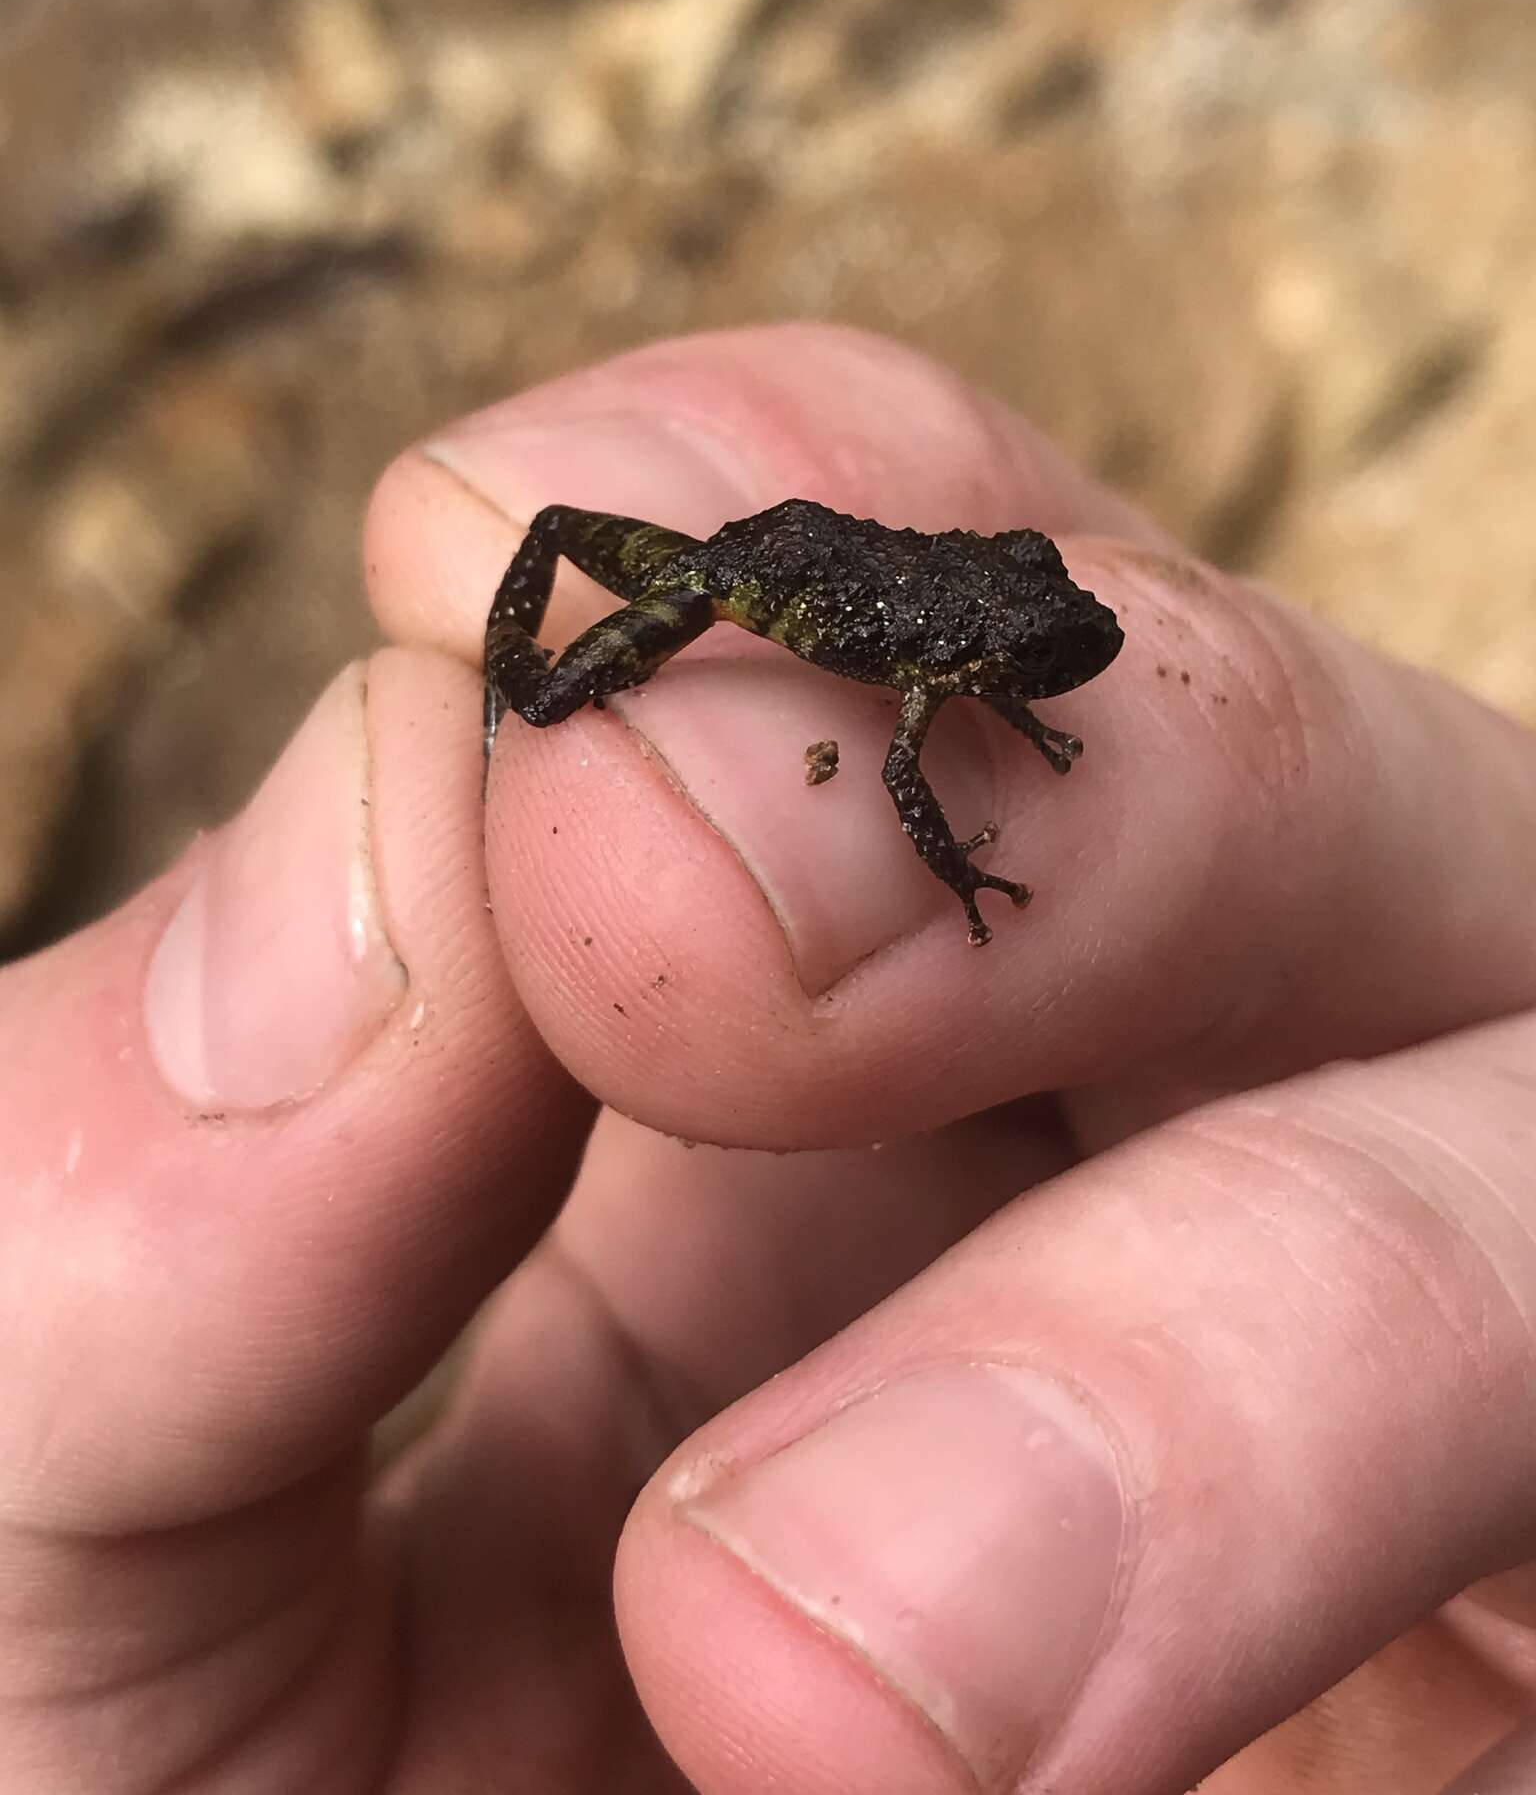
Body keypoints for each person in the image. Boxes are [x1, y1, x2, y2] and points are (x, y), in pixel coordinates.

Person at [3, 323, 1534, 1795]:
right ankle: (515, 690)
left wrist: (1012, 735)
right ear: (972, 651)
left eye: (1036, 636)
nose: (1062, 654)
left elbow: (952, 700)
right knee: (566, 606)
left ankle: (520, 695)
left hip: (819, 577)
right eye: (1025, 650)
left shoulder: (963, 654)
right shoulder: (920, 668)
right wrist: (961, 879)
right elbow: (901, 785)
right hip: (743, 576)